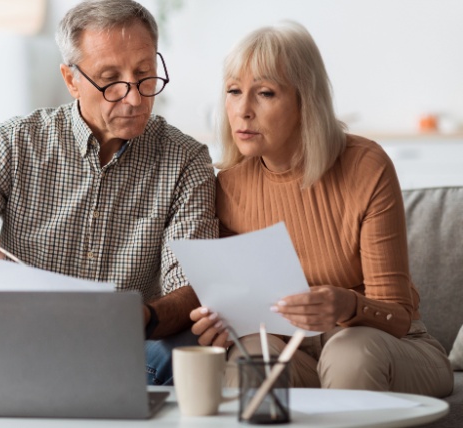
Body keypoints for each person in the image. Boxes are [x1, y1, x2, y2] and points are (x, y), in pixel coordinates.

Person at [0, 0, 216, 385]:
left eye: (144, 75)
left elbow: (190, 288)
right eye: (111, 80)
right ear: (71, 79)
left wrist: (141, 316)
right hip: (5, 341)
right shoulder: (13, 142)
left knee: (191, 340)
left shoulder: (185, 159)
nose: (135, 99)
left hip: (117, 350)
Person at [190, 21, 453, 397]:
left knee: (349, 352)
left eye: (264, 93)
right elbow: (247, 311)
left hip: (393, 349)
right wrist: (221, 327)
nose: (243, 110)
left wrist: (347, 304)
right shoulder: (228, 186)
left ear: (305, 100)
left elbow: (397, 316)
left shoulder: (365, 166)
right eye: (234, 91)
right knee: (252, 357)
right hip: (297, 355)